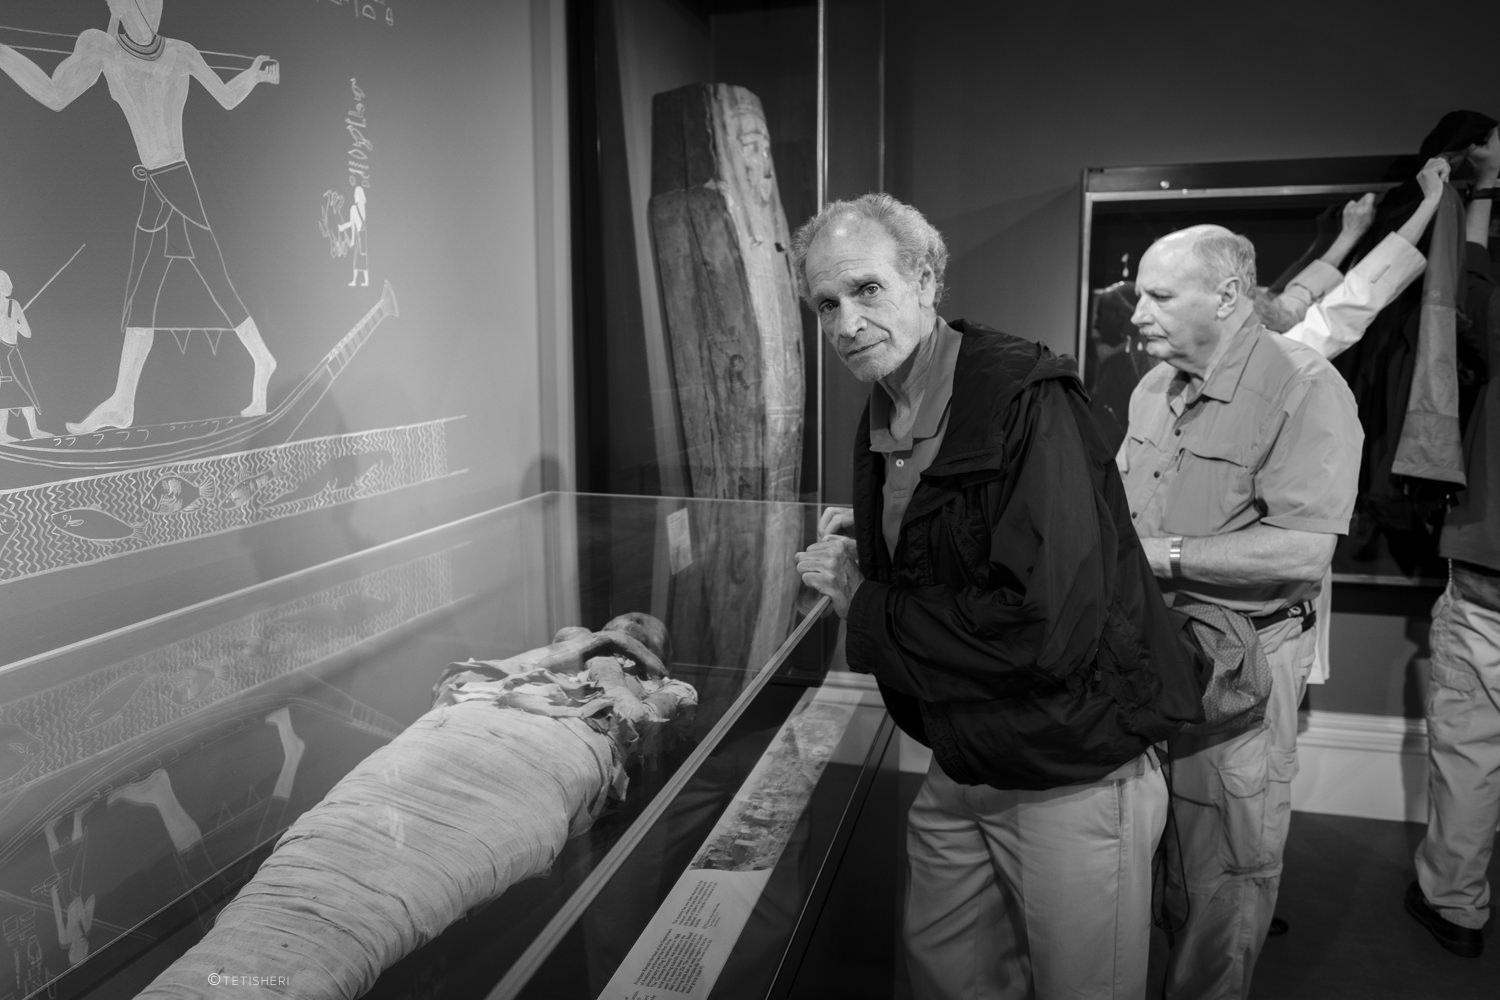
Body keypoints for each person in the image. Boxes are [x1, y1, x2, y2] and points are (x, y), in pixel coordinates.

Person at [792, 194, 1204, 999]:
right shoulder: (885, 401)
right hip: (964, 752)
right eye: (826, 305)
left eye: (866, 290)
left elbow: (1048, 629)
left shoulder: (1026, 396)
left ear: (926, 278)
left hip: (1070, 766)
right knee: (948, 971)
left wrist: (863, 601)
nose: (845, 325)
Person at [1117, 225, 1362, 999]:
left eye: (1159, 297)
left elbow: (1301, 553)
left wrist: (1156, 557)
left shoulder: (1305, 386)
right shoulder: (1152, 388)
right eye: (1139, 297)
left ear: (1226, 296)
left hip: (1241, 668)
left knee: (1225, 868)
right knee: (1153, 861)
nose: (1137, 316)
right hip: (1151, 655)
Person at [0, 0, 279, 433]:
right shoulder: (102, 49)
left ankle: (260, 360)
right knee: (143, 295)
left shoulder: (181, 51)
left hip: (176, 181)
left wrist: (255, 76)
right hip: (155, 184)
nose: (151, 8)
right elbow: (55, 94)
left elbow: (226, 97)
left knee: (212, 282)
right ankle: (124, 401)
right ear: (116, 3)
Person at [1407, 122, 1500, 959]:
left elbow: (1466, 320)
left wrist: (1468, 214)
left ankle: (1455, 905)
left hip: (1489, 565)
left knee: (1472, 744)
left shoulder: (1482, 261)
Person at [0, 270, 48, 442]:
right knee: (3, 392)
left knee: (25, 390)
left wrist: (14, 323)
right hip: (0, 356)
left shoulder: (14, 305)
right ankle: (1, 433)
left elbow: (27, 333)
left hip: (12, 353)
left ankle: (34, 430)